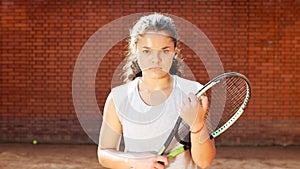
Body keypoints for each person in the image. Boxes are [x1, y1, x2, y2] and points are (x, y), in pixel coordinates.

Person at [97, 13, 216, 169]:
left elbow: (204, 161)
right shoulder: (118, 97)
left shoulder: (194, 92)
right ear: (135, 50)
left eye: (165, 50)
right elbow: (104, 153)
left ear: (174, 51)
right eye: (147, 51)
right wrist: (135, 161)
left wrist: (197, 123)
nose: (156, 59)